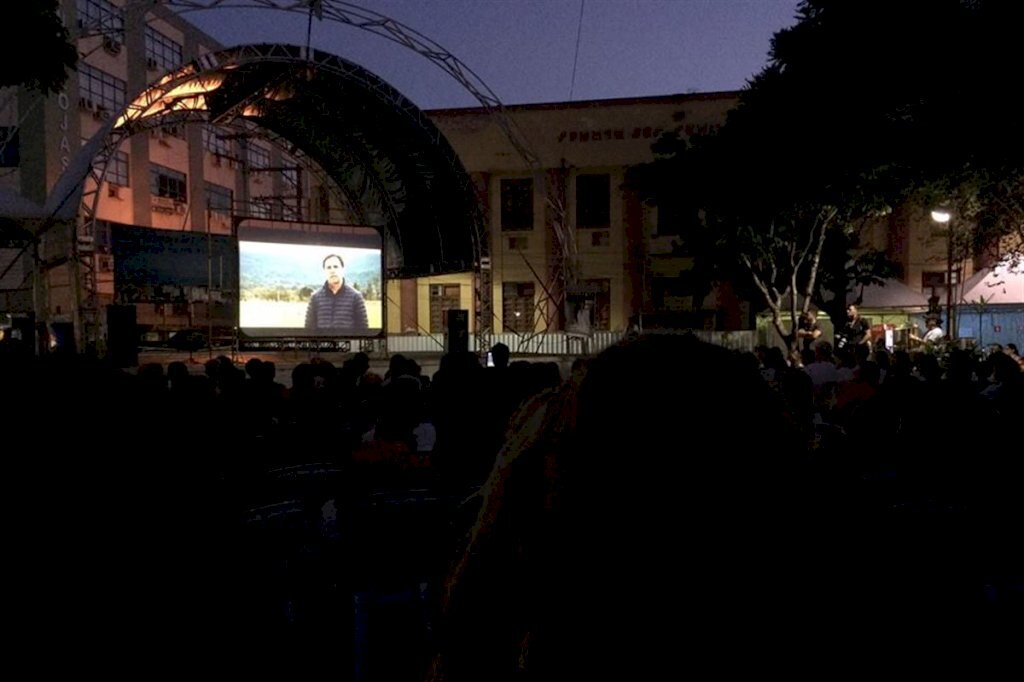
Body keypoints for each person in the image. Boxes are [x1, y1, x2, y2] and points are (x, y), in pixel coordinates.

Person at [304, 253, 368, 333]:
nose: (332, 270)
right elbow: (308, 329)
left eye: (336, 266)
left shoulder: (356, 297)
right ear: (324, 271)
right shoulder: (315, 298)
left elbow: (363, 330)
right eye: (328, 267)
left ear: (343, 269)